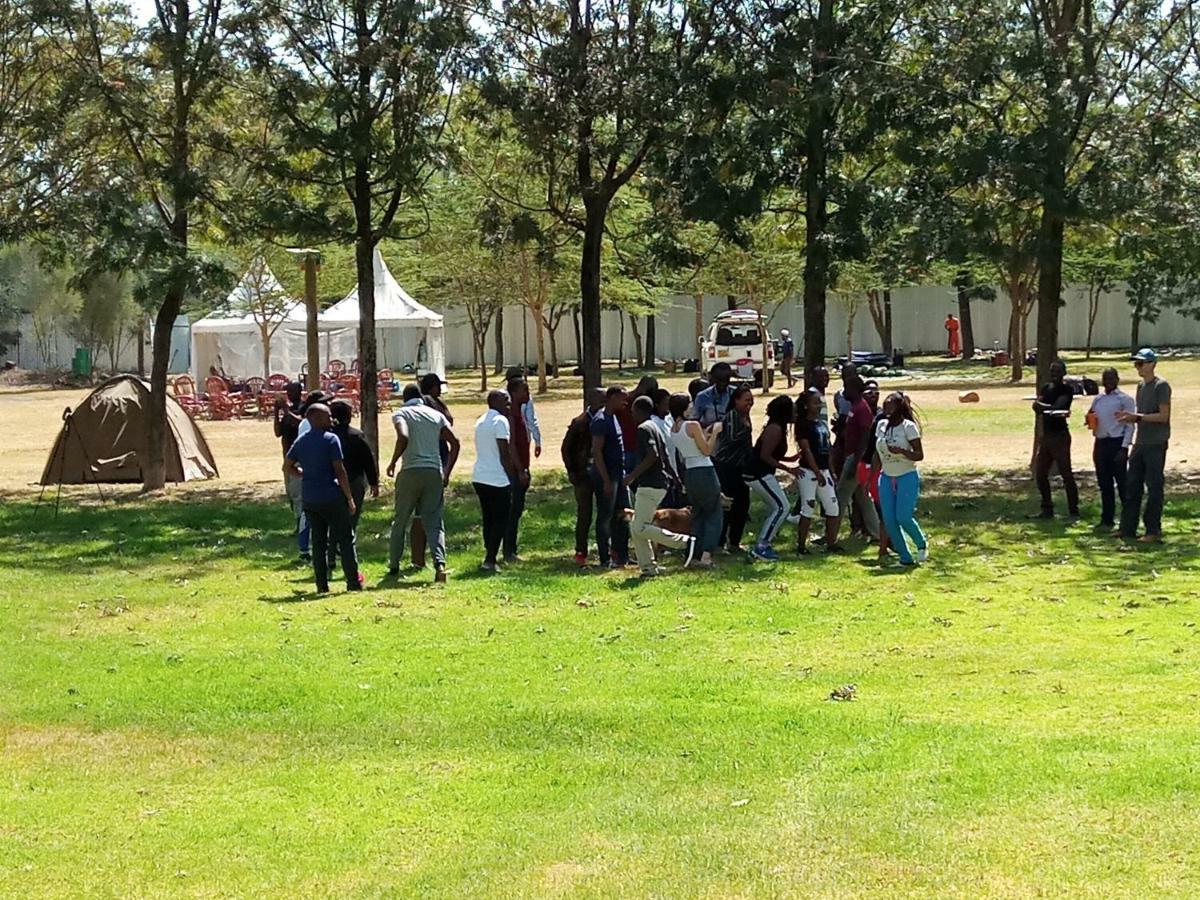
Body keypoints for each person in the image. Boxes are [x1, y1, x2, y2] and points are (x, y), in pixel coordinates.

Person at [386, 383, 460, 582]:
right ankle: (440, 564)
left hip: (410, 469)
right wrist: (447, 472)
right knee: (434, 521)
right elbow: (455, 442)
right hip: (433, 470)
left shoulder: (402, 414)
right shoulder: (436, 415)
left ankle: (394, 565)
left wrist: (393, 461)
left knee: (401, 519)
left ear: (405, 397)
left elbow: (403, 436)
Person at [284, 403, 360, 593]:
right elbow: (339, 470)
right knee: (345, 537)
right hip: (331, 496)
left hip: (310, 497)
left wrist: (303, 474)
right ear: (316, 419)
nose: (331, 419)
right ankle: (352, 582)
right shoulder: (331, 439)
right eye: (327, 416)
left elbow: (287, 466)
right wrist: (349, 497)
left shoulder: (301, 441)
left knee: (318, 542)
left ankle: (322, 585)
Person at [624, 396, 696, 576]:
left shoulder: (644, 428)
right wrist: (675, 478)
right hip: (660, 483)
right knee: (637, 526)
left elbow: (653, 456)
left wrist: (632, 476)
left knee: (639, 527)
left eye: (633, 411)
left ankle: (684, 542)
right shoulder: (656, 427)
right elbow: (664, 456)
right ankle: (648, 567)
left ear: (638, 411)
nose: (632, 415)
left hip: (650, 484)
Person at [1116, 348, 1172, 542]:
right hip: (1140, 443)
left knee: (1154, 487)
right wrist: (1129, 419)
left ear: (1152, 364)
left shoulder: (1161, 386)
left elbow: (1163, 416)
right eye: (1136, 364)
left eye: (1141, 363)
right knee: (1132, 485)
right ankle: (1127, 528)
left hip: (1156, 443)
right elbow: (1142, 415)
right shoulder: (1141, 387)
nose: (1137, 367)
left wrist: (1138, 417)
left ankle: (1153, 530)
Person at [873, 391, 928, 568]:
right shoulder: (881, 425)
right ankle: (905, 557)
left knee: (903, 516)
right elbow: (876, 453)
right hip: (887, 476)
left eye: (891, 407)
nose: (887, 410)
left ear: (899, 408)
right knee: (889, 520)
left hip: (906, 475)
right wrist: (873, 476)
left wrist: (902, 452)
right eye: (885, 406)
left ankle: (921, 544)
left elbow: (919, 455)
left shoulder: (908, 427)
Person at [669, 392, 723, 568]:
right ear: (684, 408)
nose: (692, 406)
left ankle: (693, 553)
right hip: (705, 471)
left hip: (690, 472)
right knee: (714, 513)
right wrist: (714, 432)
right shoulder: (692, 425)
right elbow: (706, 450)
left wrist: (705, 433)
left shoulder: (674, 429)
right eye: (689, 403)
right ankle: (707, 555)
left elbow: (695, 445)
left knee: (698, 514)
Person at [328, 399, 379, 581]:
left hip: (331, 482)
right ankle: (349, 558)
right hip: (354, 482)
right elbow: (368, 460)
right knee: (351, 521)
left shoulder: (328, 435)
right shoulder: (356, 436)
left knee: (333, 521)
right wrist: (374, 482)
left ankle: (331, 557)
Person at [408, 372, 455, 567]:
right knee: (426, 512)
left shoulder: (435, 402)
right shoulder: (429, 403)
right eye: (438, 386)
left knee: (426, 511)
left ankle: (421, 558)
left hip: (436, 458)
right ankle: (419, 558)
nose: (440, 390)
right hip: (432, 461)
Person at [744, 395, 797, 561]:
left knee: (778, 507)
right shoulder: (775, 429)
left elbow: (772, 454)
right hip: (758, 473)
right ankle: (761, 546)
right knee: (781, 507)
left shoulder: (778, 427)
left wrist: (790, 459)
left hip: (762, 472)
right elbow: (765, 456)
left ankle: (765, 543)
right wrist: (787, 468)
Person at [471, 390, 517, 572]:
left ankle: (489, 552)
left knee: (488, 517)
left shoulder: (480, 421)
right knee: (501, 519)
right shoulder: (500, 421)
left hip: (479, 476)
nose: (509, 404)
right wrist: (511, 476)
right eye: (506, 400)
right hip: (497, 478)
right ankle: (490, 559)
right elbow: (504, 453)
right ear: (494, 401)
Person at [1087, 367, 1135, 530]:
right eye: (1105, 379)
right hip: (1101, 443)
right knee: (1104, 484)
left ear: (1117, 380)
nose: (1108, 382)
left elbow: (1130, 426)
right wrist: (1090, 419)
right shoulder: (1098, 399)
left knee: (1122, 483)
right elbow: (1091, 414)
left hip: (1117, 443)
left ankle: (1128, 521)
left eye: (1111, 379)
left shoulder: (1124, 399)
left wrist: (1124, 448)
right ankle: (1107, 519)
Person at [562, 388, 606, 566]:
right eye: (601, 401)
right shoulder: (580, 422)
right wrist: (572, 471)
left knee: (605, 513)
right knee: (584, 514)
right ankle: (581, 550)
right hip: (583, 475)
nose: (604, 405)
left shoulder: (608, 420)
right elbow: (566, 449)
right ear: (591, 401)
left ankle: (607, 548)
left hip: (603, 474)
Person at [1032, 358, 1080, 521]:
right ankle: (1047, 509)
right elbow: (1039, 407)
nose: (1054, 374)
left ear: (1064, 373)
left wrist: (1045, 407)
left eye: (1058, 371)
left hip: (1060, 436)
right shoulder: (1046, 388)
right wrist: (1045, 408)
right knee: (1040, 473)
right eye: (1052, 371)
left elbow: (1059, 407)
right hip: (1046, 436)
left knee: (1066, 473)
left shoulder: (1067, 389)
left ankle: (1074, 511)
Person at [795, 389, 841, 554]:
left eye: (819, 401)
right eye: (815, 402)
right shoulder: (802, 425)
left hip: (825, 470)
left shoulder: (821, 424)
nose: (819, 404)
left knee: (833, 507)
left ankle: (831, 543)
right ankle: (801, 545)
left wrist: (831, 471)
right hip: (808, 472)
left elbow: (827, 449)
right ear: (806, 406)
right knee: (808, 507)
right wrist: (817, 472)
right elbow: (806, 451)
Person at [834, 381, 881, 542]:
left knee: (840, 497)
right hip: (854, 458)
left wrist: (856, 462)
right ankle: (877, 534)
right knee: (863, 498)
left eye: (847, 387)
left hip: (855, 459)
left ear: (855, 390)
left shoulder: (861, 408)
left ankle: (830, 536)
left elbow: (865, 436)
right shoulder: (855, 407)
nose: (844, 391)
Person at [590, 386, 631, 568]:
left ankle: (622, 554)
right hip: (607, 477)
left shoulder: (613, 416)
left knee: (623, 514)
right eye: (622, 399)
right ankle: (604, 557)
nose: (625, 403)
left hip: (619, 474)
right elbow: (597, 452)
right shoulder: (600, 420)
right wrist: (606, 480)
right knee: (605, 516)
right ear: (612, 398)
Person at [712, 385, 754, 553]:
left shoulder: (745, 416)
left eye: (751, 400)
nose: (749, 404)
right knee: (726, 507)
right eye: (746, 400)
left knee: (742, 505)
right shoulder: (732, 417)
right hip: (726, 467)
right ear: (736, 401)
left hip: (740, 467)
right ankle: (719, 543)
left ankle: (734, 542)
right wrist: (746, 428)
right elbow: (732, 437)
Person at [273, 381, 309, 562]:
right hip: (287, 457)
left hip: (299, 459)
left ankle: (301, 526)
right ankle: (298, 523)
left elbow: (302, 423)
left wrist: (286, 411)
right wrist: (276, 412)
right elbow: (278, 432)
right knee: (290, 493)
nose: (289, 394)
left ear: (299, 392)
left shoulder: (303, 408)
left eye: (292, 391)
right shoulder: (286, 411)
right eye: (287, 391)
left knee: (298, 495)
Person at [504, 376, 534, 562]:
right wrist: (520, 469)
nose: (528, 393)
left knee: (517, 510)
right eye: (524, 390)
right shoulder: (511, 415)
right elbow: (511, 445)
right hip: (516, 471)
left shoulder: (520, 412)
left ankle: (511, 549)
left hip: (523, 467)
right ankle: (509, 551)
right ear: (514, 393)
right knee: (512, 512)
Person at [694, 362, 734, 426]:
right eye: (720, 380)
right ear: (713, 378)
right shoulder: (702, 397)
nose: (723, 383)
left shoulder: (736, 393)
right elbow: (695, 422)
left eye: (726, 380)